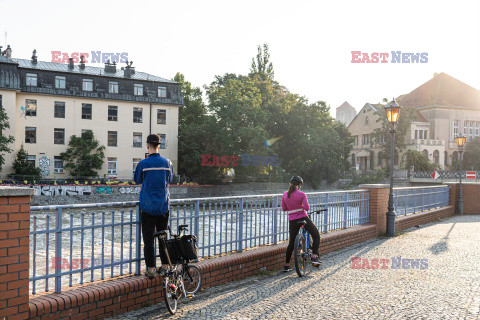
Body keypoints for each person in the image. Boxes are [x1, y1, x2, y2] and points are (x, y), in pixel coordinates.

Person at [134, 134, 174, 279]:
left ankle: (151, 269)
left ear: (147, 146)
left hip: (148, 206)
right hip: (163, 205)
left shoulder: (143, 164)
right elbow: (170, 179)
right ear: (159, 145)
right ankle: (165, 266)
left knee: (148, 239)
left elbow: (137, 180)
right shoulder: (167, 163)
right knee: (163, 236)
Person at [282, 176, 321, 272]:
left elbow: (284, 208)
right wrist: (301, 206)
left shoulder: (285, 194)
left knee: (291, 242)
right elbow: (307, 208)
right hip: (303, 218)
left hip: (292, 220)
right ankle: (314, 256)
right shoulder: (302, 194)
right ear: (299, 185)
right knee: (316, 235)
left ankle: (286, 266)